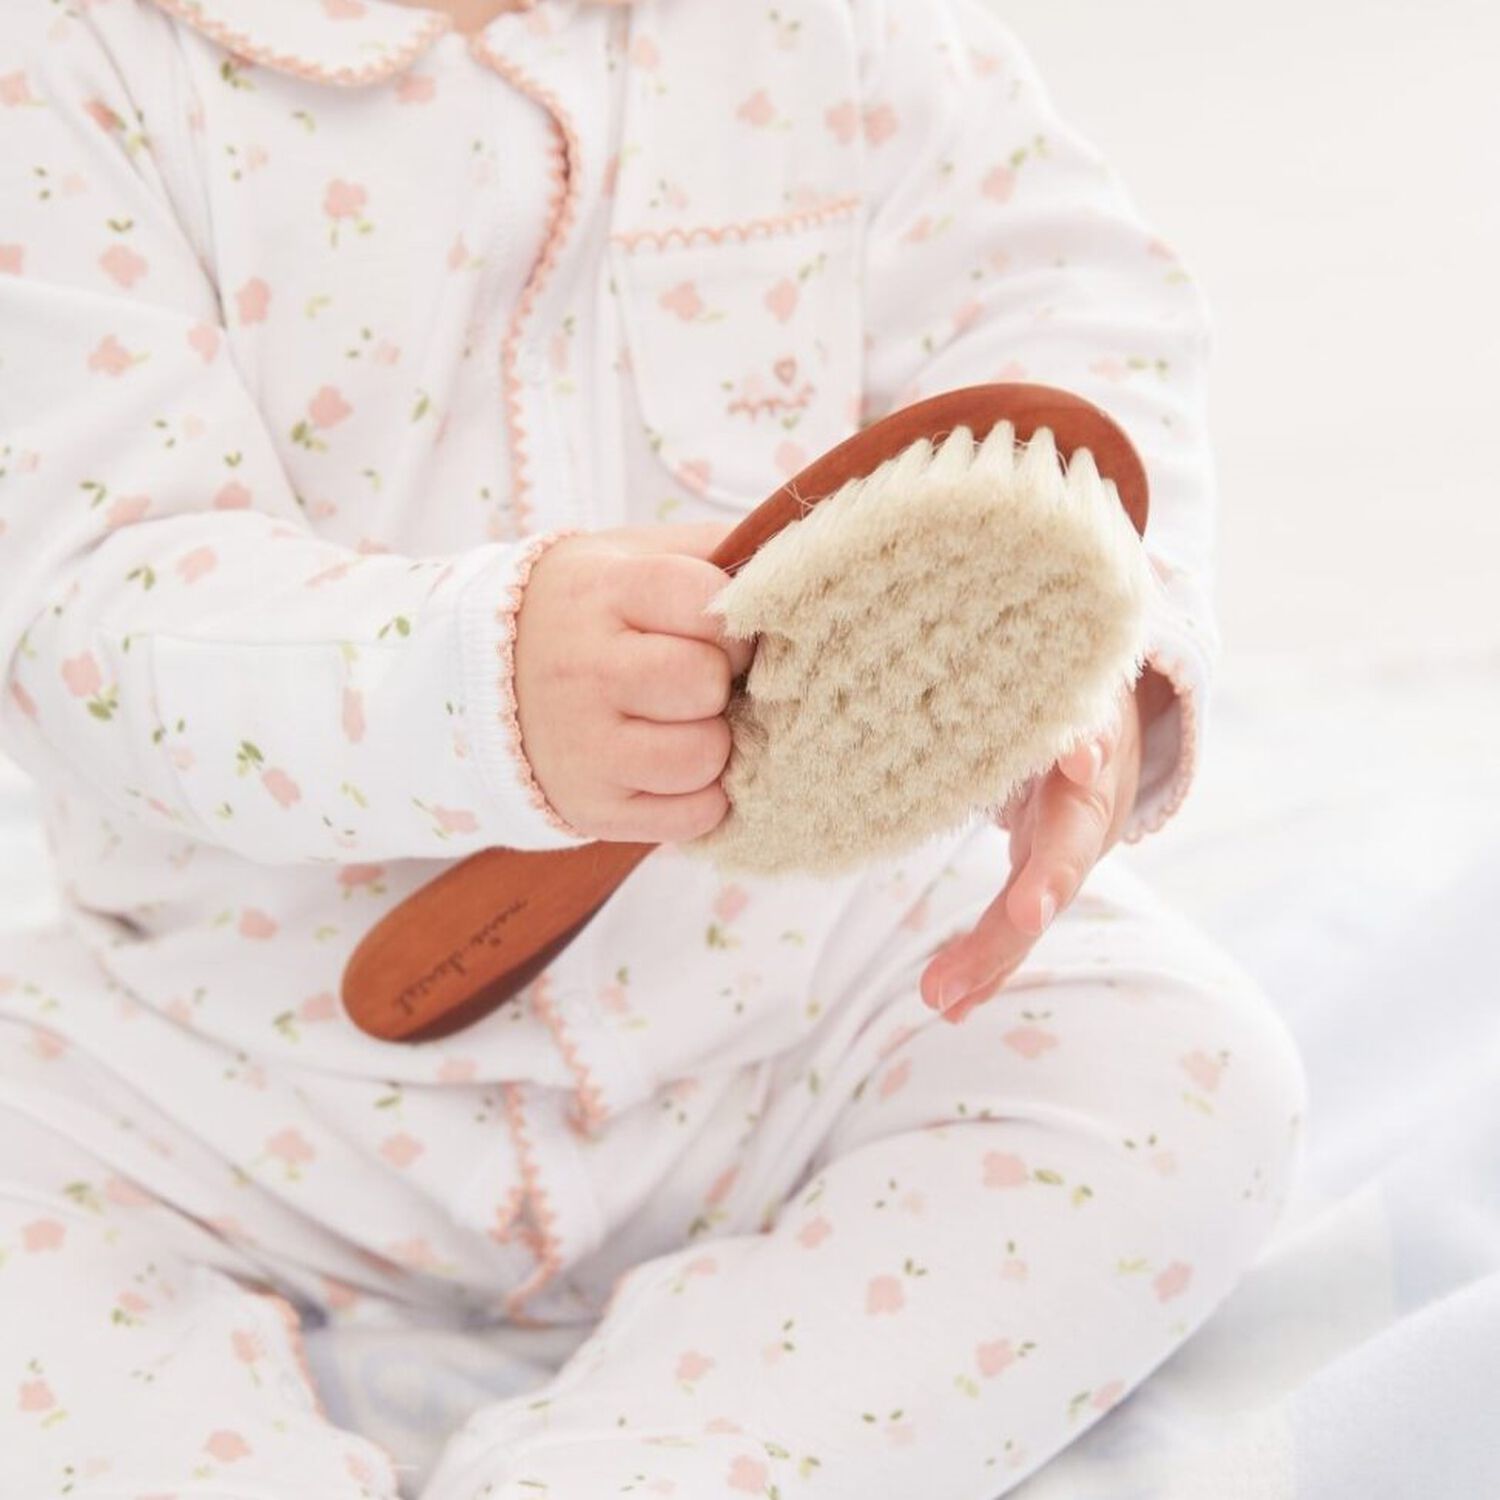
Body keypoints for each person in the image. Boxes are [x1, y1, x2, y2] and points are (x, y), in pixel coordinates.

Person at [0, 0, 1305, 1495]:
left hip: (798, 995)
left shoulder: (842, 34)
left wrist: (1099, 647)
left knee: (1187, 1074)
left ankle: (669, 1457)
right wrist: (472, 681)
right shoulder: (62, 70)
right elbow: (78, 601)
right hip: (227, 1055)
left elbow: (1069, 320)